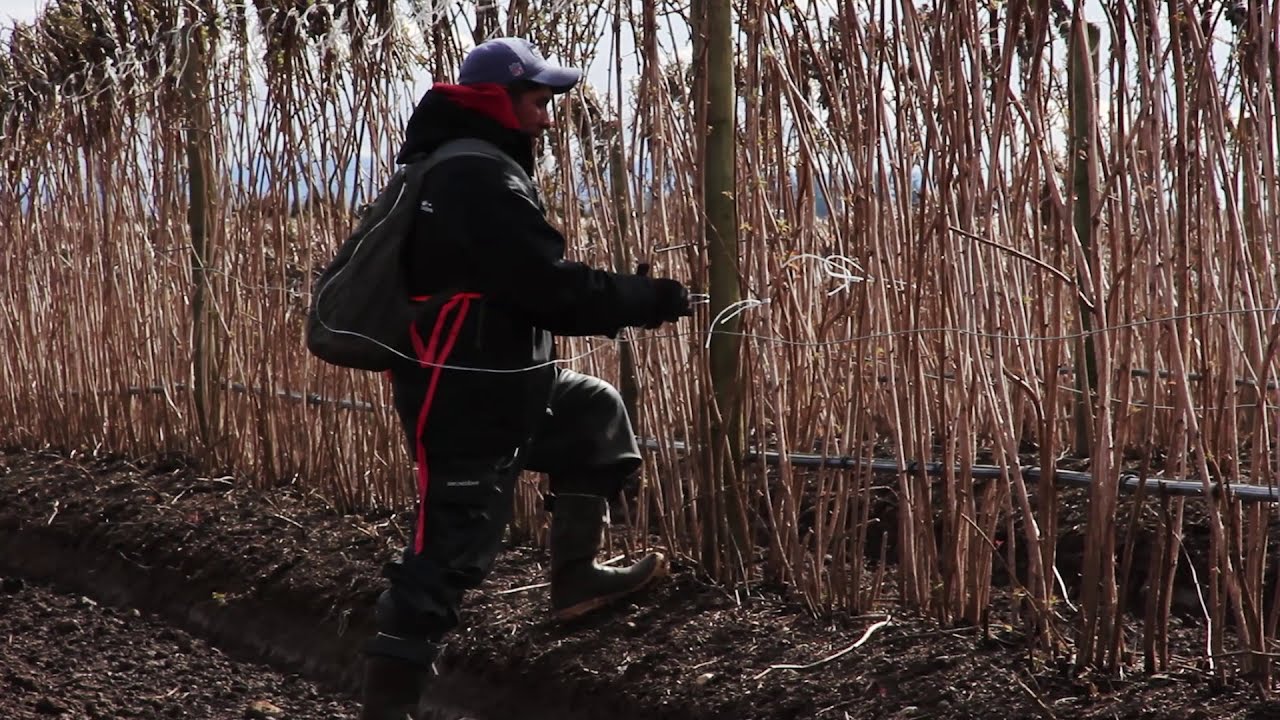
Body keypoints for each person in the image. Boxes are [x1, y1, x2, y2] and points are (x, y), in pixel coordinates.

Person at [359, 37, 694, 720]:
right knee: (442, 561)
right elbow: (545, 289)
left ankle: (575, 581)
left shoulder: (463, 166)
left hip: (505, 381)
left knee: (592, 416)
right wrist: (647, 299)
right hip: (464, 397)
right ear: (497, 99)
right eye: (539, 101)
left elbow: (522, 285)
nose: (548, 117)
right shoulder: (473, 176)